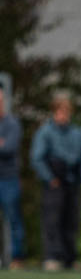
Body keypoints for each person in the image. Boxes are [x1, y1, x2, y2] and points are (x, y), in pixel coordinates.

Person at [31, 93, 81, 271]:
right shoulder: (45, 132)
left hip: (72, 181)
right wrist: (49, 178)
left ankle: (70, 257)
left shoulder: (77, 133)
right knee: (52, 220)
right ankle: (52, 256)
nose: (63, 115)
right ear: (54, 112)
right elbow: (37, 158)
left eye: (66, 112)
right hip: (55, 182)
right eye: (60, 112)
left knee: (71, 221)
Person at [0, 87, 23, 269]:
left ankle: (17, 258)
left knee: (13, 219)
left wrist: (4, 145)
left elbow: (9, 148)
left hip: (8, 178)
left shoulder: (12, 124)